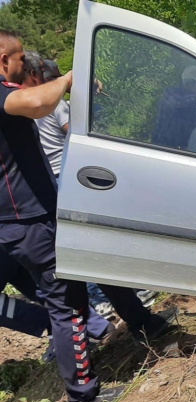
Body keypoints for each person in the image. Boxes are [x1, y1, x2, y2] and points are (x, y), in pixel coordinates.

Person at [0, 31, 172, 402]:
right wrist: (68, 79)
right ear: (3, 59)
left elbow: (39, 107)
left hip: (27, 218)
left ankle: (143, 322)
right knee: (68, 305)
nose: (25, 67)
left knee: (92, 263)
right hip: (28, 222)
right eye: (20, 59)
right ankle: (83, 399)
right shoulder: (3, 94)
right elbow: (37, 100)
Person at [30, 58, 159, 319]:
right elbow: (78, 136)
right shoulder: (56, 107)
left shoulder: (27, 106)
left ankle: (102, 300)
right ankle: (130, 290)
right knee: (99, 234)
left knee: (76, 241)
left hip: (48, 182)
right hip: (68, 177)